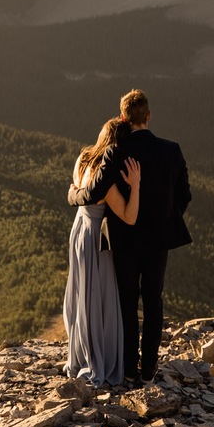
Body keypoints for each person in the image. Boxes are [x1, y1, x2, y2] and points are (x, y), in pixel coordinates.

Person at [68, 89, 191, 384]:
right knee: (153, 301)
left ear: (124, 117)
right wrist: (163, 217)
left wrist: (73, 196)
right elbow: (185, 195)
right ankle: (149, 369)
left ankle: (127, 367)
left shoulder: (116, 151)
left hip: (124, 241)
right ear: (148, 115)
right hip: (159, 239)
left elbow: (94, 193)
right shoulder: (171, 150)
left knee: (126, 303)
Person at [63, 117, 141, 387]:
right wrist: (136, 185)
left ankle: (80, 351)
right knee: (100, 296)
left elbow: (76, 191)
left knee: (81, 292)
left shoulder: (83, 158)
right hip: (97, 238)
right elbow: (129, 217)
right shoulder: (106, 181)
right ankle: (99, 357)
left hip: (78, 231)